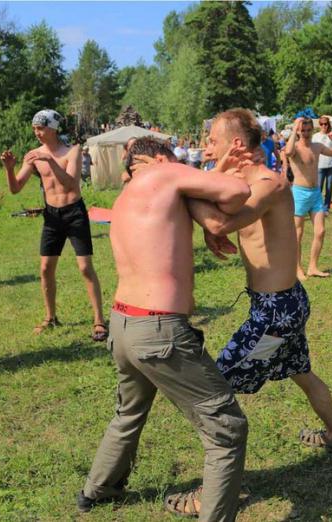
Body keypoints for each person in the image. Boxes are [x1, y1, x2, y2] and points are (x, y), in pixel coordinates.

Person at [78, 137, 251, 521]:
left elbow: (186, 200)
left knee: (129, 412)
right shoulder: (163, 173)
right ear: (160, 158)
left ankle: (98, 489)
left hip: (123, 324)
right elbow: (238, 191)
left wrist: (210, 177)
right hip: (158, 331)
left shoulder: (127, 195)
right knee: (227, 429)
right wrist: (220, 172)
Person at [187, 108, 332, 454]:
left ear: (237, 143)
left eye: (213, 141)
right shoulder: (243, 185)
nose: (207, 146)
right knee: (302, 373)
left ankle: (216, 486)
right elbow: (220, 214)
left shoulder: (269, 185)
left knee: (214, 389)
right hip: (282, 304)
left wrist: (199, 205)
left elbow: (218, 223)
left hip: (275, 312)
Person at [0, 109, 107, 340]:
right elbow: (15, 188)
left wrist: (50, 160)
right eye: (35, 129)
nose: (37, 133)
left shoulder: (72, 152)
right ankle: (50, 317)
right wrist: (9, 169)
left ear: (54, 128)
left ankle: (99, 320)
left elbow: (70, 184)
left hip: (74, 212)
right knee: (46, 268)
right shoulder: (34, 155)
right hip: (51, 215)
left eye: (41, 128)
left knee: (85, 268)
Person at [285, 116, 332, 279]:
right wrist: (294, 131)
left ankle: (313, 266)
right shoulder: (294, 146)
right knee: (298, 233)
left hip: (316, 193)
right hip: (299, 193)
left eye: (309, 130)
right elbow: (288, 152)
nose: (306, 133)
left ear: (313, 130)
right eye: (303, 130)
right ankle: (297, 268)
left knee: (320, 231)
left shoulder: (317, 146)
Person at [313, 116, 332, 213]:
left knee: (329, 188)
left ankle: (326, 208)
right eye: (321, 124)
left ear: (329, 124)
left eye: (326, 124)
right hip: (320, 165)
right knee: (319, 188)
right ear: (319, 125)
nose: (324, 126)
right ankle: (317, 207)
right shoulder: (315, 136)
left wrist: (328, 116)